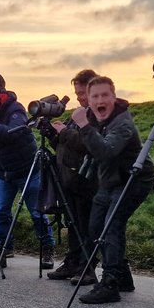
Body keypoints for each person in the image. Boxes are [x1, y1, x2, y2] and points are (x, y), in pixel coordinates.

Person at [73, 76, 154, 303]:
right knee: (96, 226)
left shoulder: (123, 124)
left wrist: (83, 127)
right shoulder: (93, 117)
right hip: (110, 179)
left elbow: (106, 151)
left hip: (134, 179)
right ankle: (123, 276)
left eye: (105, 95)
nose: (100, 100)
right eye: (95, 96)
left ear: (114, 97)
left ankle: (109, 284)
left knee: (112, 225)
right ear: (88, 100)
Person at [0, 79, 56, 268]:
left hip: (27, 170)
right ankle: (0, 250)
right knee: (1, 212)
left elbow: (11, 133)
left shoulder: (15, 109)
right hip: (4, 172)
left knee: (37, 212)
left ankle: (47, 249)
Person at [48, 69, 100, 285]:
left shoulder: (98, 113)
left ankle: (88, 267)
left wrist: (64, 133)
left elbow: (88, 143)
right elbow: (65, 145)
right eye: (77, 93)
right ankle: (73, 262)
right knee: (73, 222)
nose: (79, 97)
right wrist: (52, 135)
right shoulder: (78, 112)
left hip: (87, 179)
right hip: (70, 177)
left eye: (82, 93)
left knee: (88, 225)